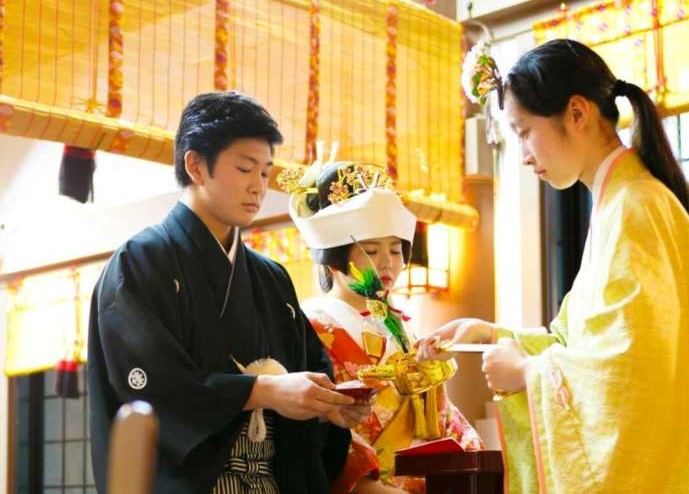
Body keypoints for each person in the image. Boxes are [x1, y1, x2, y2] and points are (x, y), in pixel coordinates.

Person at [419, 39, 689, 494]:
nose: (523, 155)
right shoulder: (619, 204)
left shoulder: (636, 207)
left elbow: (636, 365)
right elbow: (580, 344)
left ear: (577, 114)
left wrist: (528, 373)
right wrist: (490, 334)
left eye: (524, 132)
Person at [87, 92, 372, 494]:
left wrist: (329, 408)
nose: (258, 186)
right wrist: (264, 391)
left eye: (265, 172)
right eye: (245, 168)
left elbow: (311, 368)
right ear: (196, 165)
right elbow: (152, 384)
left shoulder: (270, 278)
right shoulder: (141, 263)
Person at [284, 161, 483, 494]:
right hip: (360, 484)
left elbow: (440, 416)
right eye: (372, 250)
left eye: (396, 249)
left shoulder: (404, 329)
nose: (388, 262)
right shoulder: (310, 325)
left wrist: (471, 458)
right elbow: (318, 430)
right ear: (334, 257)